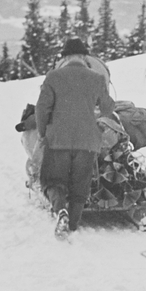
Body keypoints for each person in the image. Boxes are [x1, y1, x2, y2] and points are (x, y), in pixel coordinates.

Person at [35, 38, 117, 239]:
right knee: (81, 185)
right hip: (88, 142)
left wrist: (43, 132)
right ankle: (73, 224)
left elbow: (41, 108)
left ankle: (60, 210)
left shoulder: (53, 77)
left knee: (53, 181)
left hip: (58, 140)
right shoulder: (97, 78)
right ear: (83, 57)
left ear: (65, 57)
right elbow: (108, 108)